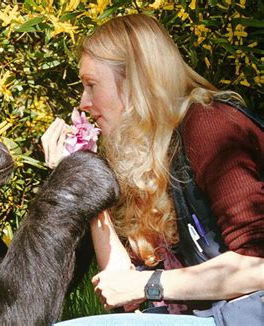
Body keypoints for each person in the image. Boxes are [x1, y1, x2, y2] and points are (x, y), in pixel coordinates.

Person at [41, 14, 264, 325]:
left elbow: (257, 267)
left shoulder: (209, 125)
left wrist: (152, 284)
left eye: (91, 85)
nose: (83, 103)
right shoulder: (141, 155)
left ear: (136, 81)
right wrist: (82, 178)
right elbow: (123, 291)